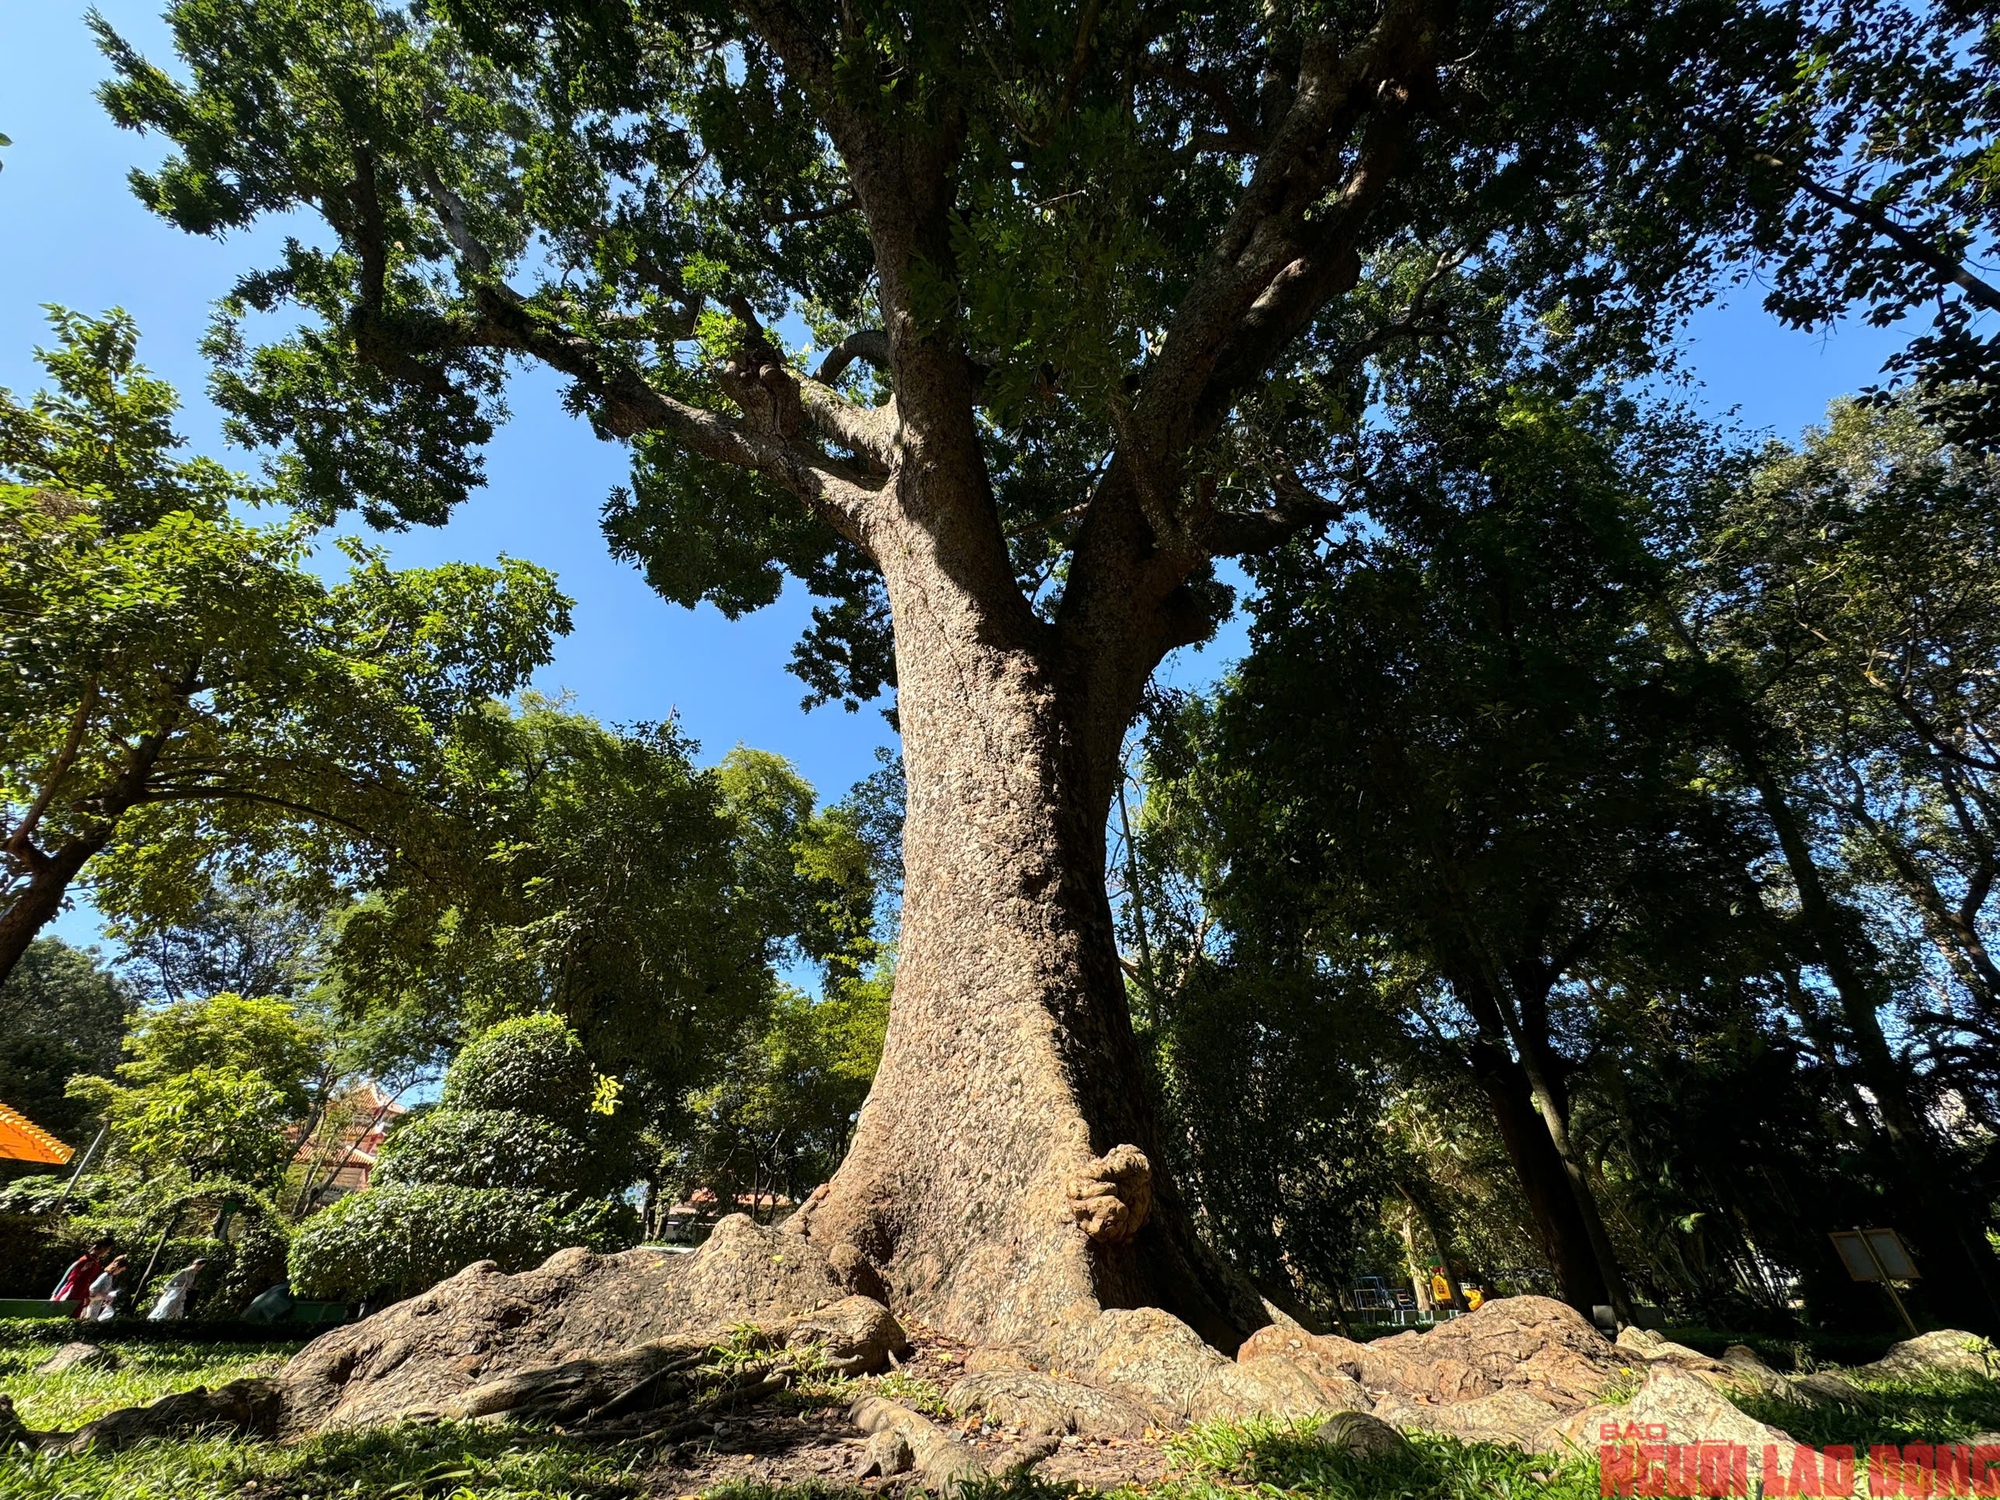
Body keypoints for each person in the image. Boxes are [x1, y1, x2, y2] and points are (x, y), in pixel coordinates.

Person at [49, 1239, 113, 1317]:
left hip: (82, 1292)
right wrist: (83, 1269)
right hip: (74, 1291)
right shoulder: (85, 1259)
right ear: (103, 1248)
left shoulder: (96, 1261)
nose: (108, 1251)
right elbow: (71, 1277)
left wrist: (86, 1296)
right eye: (108, 1249)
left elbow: (88, 1280)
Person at [83, 1254, 128, 1321]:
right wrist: (102, 1296)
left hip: (96, 1308)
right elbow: (92, 1289)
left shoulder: (110, 1277)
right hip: (90, 1308)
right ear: (118, 1267)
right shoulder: (105, 1276)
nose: (120, 1272)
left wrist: (108, 1297)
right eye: (121, 1270)